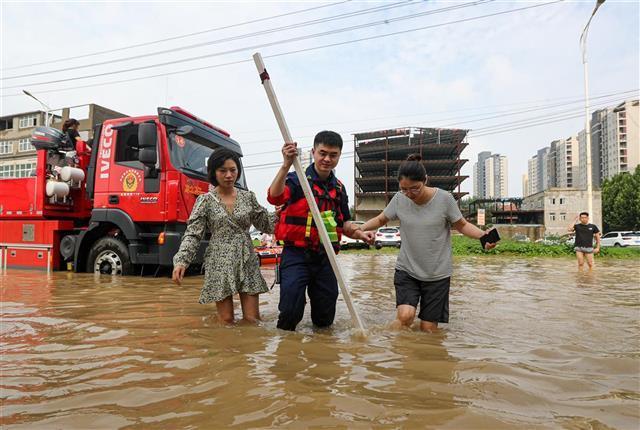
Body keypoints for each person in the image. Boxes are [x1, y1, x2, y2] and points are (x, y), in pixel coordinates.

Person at [358, 154, 498, 333]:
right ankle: (389, 341)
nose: (409, 194)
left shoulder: (445, 199)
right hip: (407, 269)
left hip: (437, 274)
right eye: (404, 189)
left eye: (414, 189)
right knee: (405, 316)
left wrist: (482, 236)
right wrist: (358, 230)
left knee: (428, 330)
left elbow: (462, 225)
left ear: (425, 180)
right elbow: (380, 219)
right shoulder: (400, 199)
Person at [267, 131, 371, 331]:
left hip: (326, 257)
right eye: (322, 153)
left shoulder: (339, 189)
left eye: (333, 155)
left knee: (324, 319)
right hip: (296, 254)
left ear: (339, 156)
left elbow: (345, 223)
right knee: (290, 311)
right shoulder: (296, 180)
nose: (327, 159)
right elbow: (274, 197)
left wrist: (360, 233)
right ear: (314, 152)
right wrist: (286, 164)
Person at [172, 149, 276, 324]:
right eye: (223, 171)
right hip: (219, 261)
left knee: (253, 320)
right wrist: (182, 261)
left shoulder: (248, 197)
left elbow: (265, 224)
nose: (229, 175)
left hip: (246, 259)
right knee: (226, 321)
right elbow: (193, 234)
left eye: (233, 170)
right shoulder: (205, 200)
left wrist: (281, 212)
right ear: (213, 172)